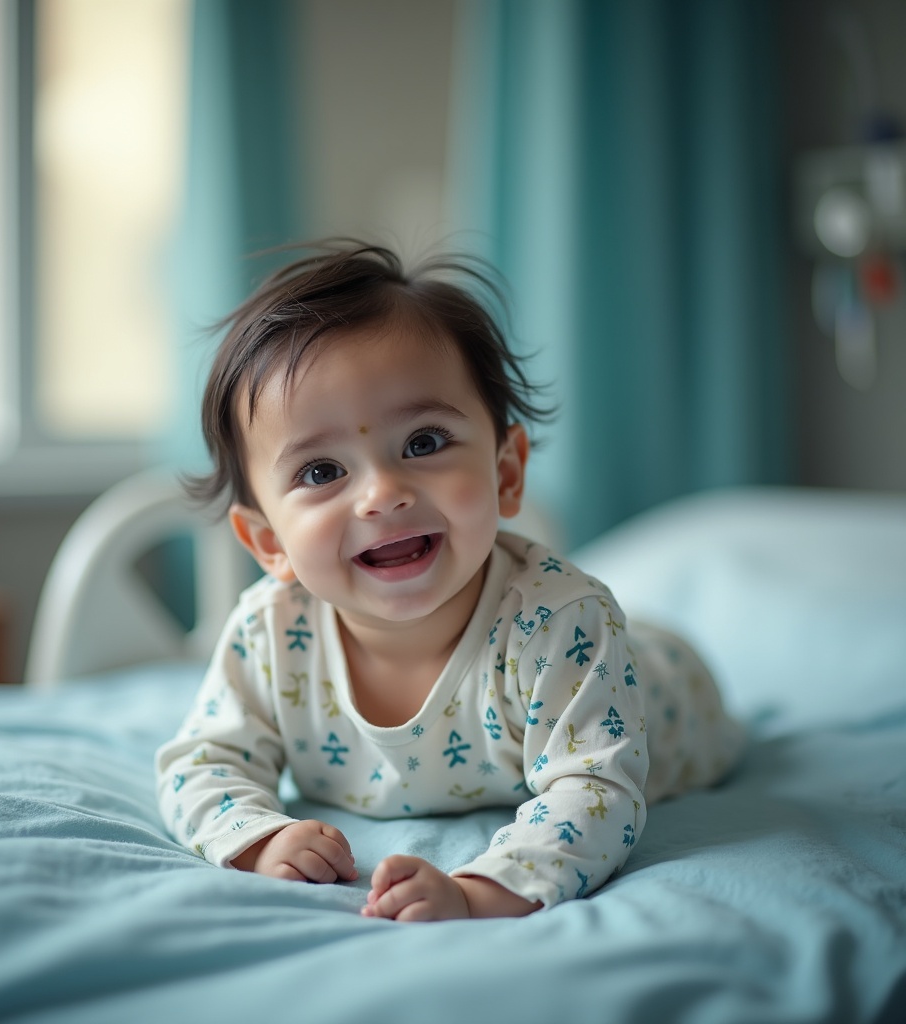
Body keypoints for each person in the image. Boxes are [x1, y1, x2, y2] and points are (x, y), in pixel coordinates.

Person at [155, 240, 745, 921]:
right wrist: (260, 840)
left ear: (505, 473)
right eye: (321, 472)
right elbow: (200, 763)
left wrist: (477, 892)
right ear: (268, 542)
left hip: (663, 688)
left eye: (423, 443)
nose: (382, 493)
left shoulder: (561, 626)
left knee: (633, 655)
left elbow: (596, 790)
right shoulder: (271, 634)